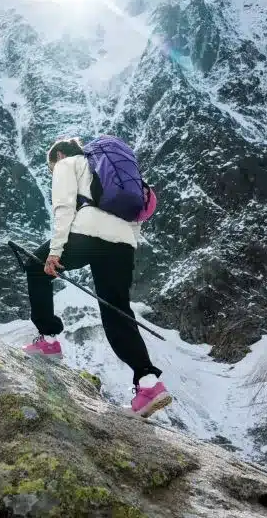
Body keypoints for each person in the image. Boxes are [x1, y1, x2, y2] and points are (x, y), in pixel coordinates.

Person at [21, 137, 172, 419]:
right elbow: (136, 215)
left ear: (60, 155)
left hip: (88, 233)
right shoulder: (110, 170)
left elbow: (64, 207)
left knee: (34, 266)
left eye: (51, 168)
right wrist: (127, 245)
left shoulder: (68, 162)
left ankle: (49, 340)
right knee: (116, 310)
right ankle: (149, 383)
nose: (53, 172)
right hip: (124, 243)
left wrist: (55, 252)